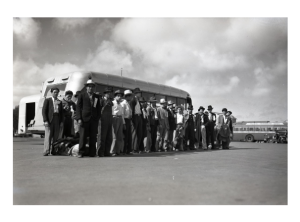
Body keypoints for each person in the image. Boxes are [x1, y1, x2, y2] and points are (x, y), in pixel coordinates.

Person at [76, 79, 101, 158]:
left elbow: (98, 108)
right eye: (89, 87)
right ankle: (81, 152)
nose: (91, 88)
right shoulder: (82, 95)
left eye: (92, 87)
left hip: (94, 119)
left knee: (93, 136)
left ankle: (92, 153)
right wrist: (79, 118)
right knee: (83, 136)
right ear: (86, 87)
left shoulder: (96, 96)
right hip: (84, 119)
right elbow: (78, 108)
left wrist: (98, 118)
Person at [42, 87, 64, 156]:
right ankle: (46, 150)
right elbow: (44, 111)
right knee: (48, 135)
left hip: (57, 118)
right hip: (50, 119)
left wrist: (61, 122)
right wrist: (45, 120)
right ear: (51, 93)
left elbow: (61, 113)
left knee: (56, 136)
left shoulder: (59, 101)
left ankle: (54, 150)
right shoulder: (47, 100)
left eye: (57, 92)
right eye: (54, 92)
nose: (56, 93)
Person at [97, 86, 114, 157]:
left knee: (109, 137)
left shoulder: (110, 101)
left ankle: (107, 152)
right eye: (108, 93)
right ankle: (100, 152)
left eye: (110, 92)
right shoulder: (101, 100)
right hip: (103, 120)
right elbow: (98, 110)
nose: (109, 94)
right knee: (102, 137)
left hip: (109, 119)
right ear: (105, 94)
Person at [110, 90, 126, 156]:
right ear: (115, 96)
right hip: (114, 118)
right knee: (114, 136)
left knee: (119, 136)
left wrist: (123, 123)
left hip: (120, 119)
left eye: (120, 96)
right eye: (118, 96)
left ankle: (118, 150)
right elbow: (111, 112)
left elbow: (122, 114)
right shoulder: (112, 103)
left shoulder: (121, 104)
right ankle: (112, 151)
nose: (119, 97)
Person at [129, 88, 144, 154]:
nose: (140, 94)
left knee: (139, 133)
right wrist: (132, 119)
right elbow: (132, 109)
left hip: (139, 116)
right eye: (139, 93)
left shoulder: (137, 100)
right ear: (136, 93)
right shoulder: (133, 100)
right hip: (135, 116)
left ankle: (137, 147)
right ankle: (133, 148)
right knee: (134, 133)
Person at [121, 90, 133, 155]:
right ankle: (124, 150)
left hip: (128, 120)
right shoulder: (123, 103)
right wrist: (123, 123)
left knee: (129, 136)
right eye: (130, 96)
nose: (131, 97)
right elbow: (122, 114)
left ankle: (128, 150)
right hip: (125, 120)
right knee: (125, 136)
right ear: (127, 96)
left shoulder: (128, 103)